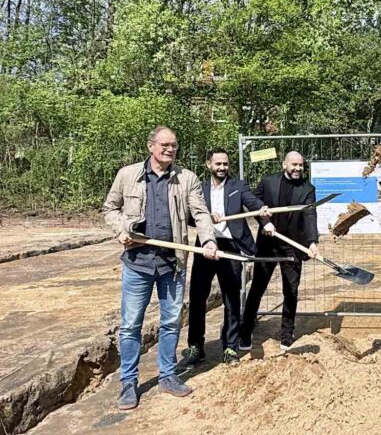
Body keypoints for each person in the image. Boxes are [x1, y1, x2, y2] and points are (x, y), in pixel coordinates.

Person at [102, 126, 218, 411]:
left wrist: (209, 240)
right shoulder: (128, 175)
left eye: (174, 145)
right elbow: (110, 208)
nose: (170, 149)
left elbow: (200, 214)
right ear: (150, 146)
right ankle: (128, 383)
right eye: (165, 144)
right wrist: (120, 230)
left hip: (172, 264)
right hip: (137, 263)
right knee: (131, 326)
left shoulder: (187, 179)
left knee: (170, 322)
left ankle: (167, 375)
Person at [182, 148, 269, 366]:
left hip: (231, 246)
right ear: (208, 164)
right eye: (218, 164)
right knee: (197, 297)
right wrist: (206, 218)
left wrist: (262, 210)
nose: (222, 168)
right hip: (206, 245)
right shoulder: (199, 189)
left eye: (225, 164)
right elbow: (190, 217)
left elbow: (252, 202)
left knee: (231, 297)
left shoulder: (237, 186)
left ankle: (230, 346)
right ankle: (196, 346)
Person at [239, 151, 318, 351]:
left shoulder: (307, 189)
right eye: (294, 164)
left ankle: (286, 333)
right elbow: (255, 205)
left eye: (301, 165)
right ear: (284, 165)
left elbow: (310, 215)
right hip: (267, 243)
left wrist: (312, 242)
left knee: (290, 290)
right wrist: (265, 222)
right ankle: (246, 332)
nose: (298, 168)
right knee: (257, 288)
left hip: (291, 245)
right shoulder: (268, 182)